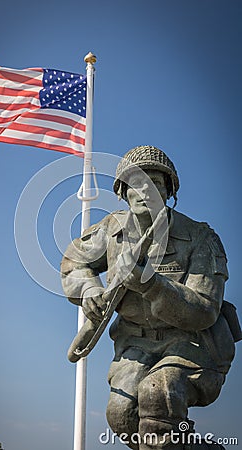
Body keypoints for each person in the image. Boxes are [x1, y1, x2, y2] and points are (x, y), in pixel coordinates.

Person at [60, 146, 240, 450]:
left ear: (169, 192)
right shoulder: (111, 230)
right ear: (122, 192)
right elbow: (74, 262)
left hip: (193, 347)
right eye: (136, 183)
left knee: (159, 393)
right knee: (121, 414)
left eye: (156, 184)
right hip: (135, 346)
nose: (146, 191)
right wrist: (89, 289)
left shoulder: (200, 237)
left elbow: (206, 310)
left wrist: (152, 286)